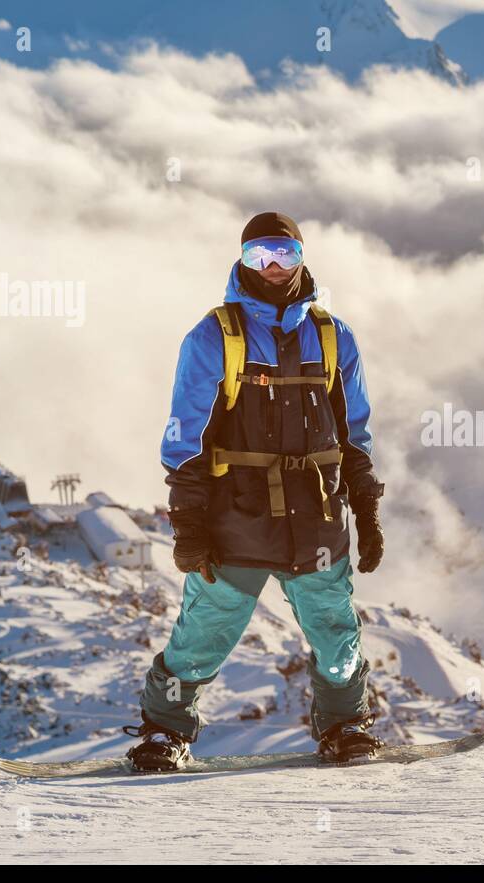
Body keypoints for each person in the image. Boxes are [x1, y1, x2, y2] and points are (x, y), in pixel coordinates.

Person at [123, 211, 386, 770]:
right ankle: (163, 733)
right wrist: (189, 521)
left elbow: (353, 433)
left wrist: (365, 508)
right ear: (241, 261)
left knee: (336, 636)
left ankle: (345, 727)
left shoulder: (332, 336)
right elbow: (184, 437)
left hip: (317, 517)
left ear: (302, 257)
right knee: (203, 636)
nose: (271, 267)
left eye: (284, 254)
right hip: (237, 518)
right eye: (258, 255)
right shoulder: (216, 335)